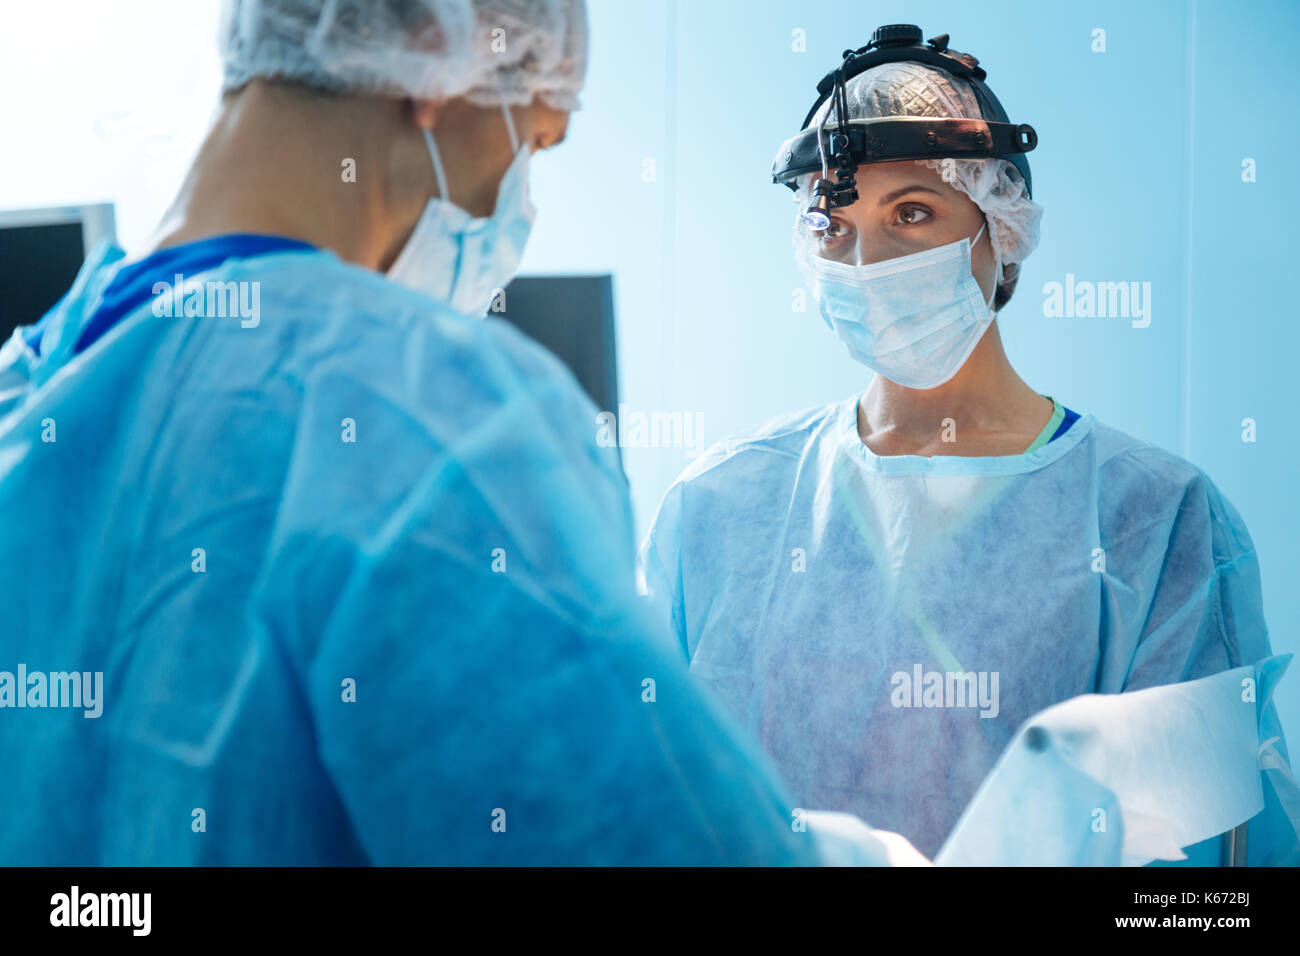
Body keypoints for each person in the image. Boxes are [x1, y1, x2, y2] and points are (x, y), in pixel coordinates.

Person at [0, 0, 923, 866]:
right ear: (436, 55)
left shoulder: (26, 395)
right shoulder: (430, 411)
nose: (518, 202)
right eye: (536, 142)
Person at [639, 26, 1299, 864]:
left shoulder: (1156, 519)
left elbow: (1209, 883)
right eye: (833, 226)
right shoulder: (721, 509)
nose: (867, 259)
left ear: (1002, 230)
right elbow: (641, 806)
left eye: (911, 213)